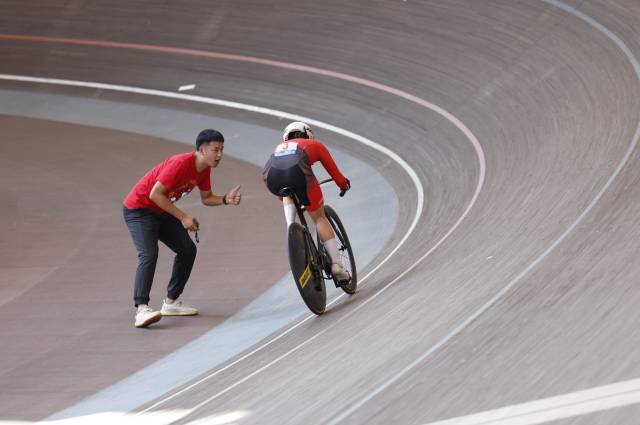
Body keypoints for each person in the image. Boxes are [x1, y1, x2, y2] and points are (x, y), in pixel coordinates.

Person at [123, 129, 241, 328]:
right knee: (149, 254)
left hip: (159, 211)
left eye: (222, 149)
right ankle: (141, 309)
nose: (220, 154)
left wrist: (224, 199)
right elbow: (155, 194)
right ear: (202, 150)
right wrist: (184, 217)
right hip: (138, 211)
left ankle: (171, 303)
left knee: (187, 250)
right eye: (216, 150)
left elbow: (206, 198)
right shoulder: (180, 163)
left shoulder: (204, 169)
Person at [262, 121, 351, 284]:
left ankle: (292, 229)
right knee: (319, 218)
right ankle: (337, 266)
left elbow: (280, 190)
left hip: (272, 178)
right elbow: (336, 174)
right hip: (299, 175)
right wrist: (343, 184)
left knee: (287, 194)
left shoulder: (278, 148)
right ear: (309, 135)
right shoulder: (314, 145)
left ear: (285, 138)